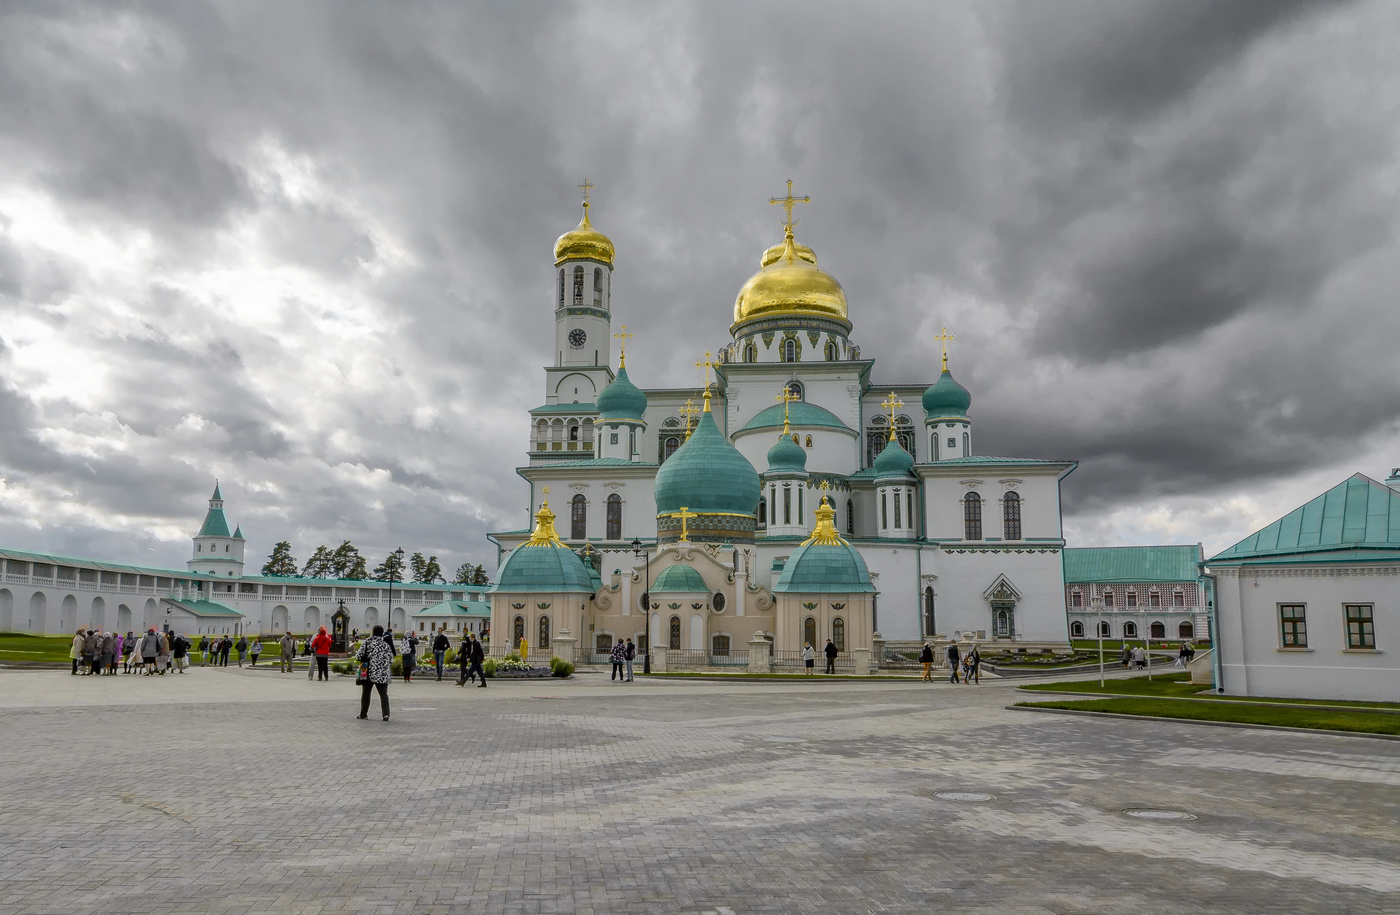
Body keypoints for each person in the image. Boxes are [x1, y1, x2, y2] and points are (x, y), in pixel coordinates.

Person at [356, 624, 393, 721]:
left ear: (373, 632)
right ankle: (386, 714)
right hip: (383, 674)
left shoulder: (367, 643)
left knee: (366, 694)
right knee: (384, 694)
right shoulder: (386, 645)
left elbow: (358, 655)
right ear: (382, 633)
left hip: (369, 672)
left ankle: (363, 714)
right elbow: (391, 659)